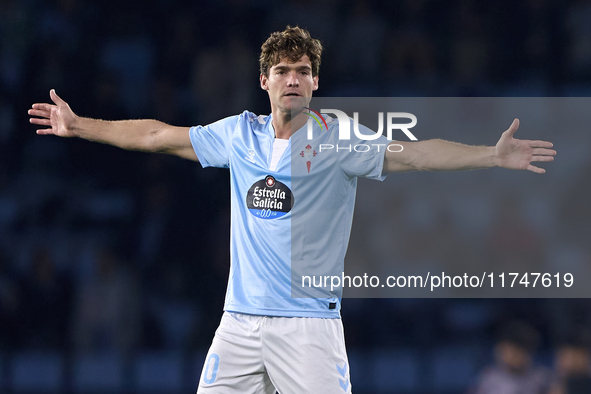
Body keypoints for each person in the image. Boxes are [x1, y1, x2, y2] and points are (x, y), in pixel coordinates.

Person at [29, 26, 556, 394]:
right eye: (282, 71)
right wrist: (80, 126)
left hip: (308, 327)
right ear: (265, 81)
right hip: (238, 323)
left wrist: (491, 154)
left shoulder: (341, 139)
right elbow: (156, 135)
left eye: (303, 71)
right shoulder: (238, 135)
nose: (294, 79)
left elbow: (415, 154)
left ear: (316, 82)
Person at [471, 320, 552, 394]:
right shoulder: (487, 379)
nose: (517, 357)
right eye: (513, 352)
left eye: (521, 353)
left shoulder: (542, 378)